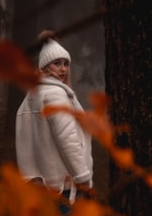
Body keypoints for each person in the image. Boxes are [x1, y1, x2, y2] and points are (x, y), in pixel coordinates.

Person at [15, 31, 94, 205]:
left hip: (39, 185)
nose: (63, 69)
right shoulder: (55, 94)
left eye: (66, 64)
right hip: (62, 186)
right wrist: (83, 178)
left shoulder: (32, 95)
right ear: (44, 67)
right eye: (57, 63)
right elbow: (67, 139)